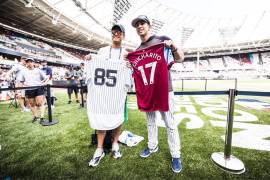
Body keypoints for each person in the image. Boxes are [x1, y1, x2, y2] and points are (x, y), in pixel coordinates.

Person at [129, 15, 185, 173]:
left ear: (149, 25)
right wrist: (129, 62)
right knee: (150, 122)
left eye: (142, 23)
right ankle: (152, 146)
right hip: (148, 92)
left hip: (164, 90)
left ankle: (175, 155)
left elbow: (181, 58)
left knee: (170, 123)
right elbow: (135, 72)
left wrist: (173, 46)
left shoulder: (162, 40)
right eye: (137, 24)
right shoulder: (137, 51)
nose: (140, 26)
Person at [85, 24, 130, 167]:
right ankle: (99, 148)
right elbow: (94, 66)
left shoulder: (127, 53)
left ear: (123, 35)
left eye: (119, 32)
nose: (116, 34)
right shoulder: (102, 51)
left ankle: (115, 143)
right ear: (111, 34)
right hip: (102, 93)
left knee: (119, 116)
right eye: (114, 32)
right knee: (100, 117)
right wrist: (90, 58)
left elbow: (130, 72)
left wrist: (130, 66)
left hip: (117, 93)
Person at [21, 58, 49, 123]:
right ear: (26, 63)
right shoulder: (24, 71)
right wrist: (23, 87)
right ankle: (35, 116)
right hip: (29, 89)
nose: (29, 63)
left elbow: (46, 78)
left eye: (31, 61)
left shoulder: (38, 70)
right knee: (32, 104)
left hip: (38, 88)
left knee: (40, 103)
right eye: (28, 62)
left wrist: (44, 83)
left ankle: (42, 118)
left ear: (33, 63)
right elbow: (21, 81)